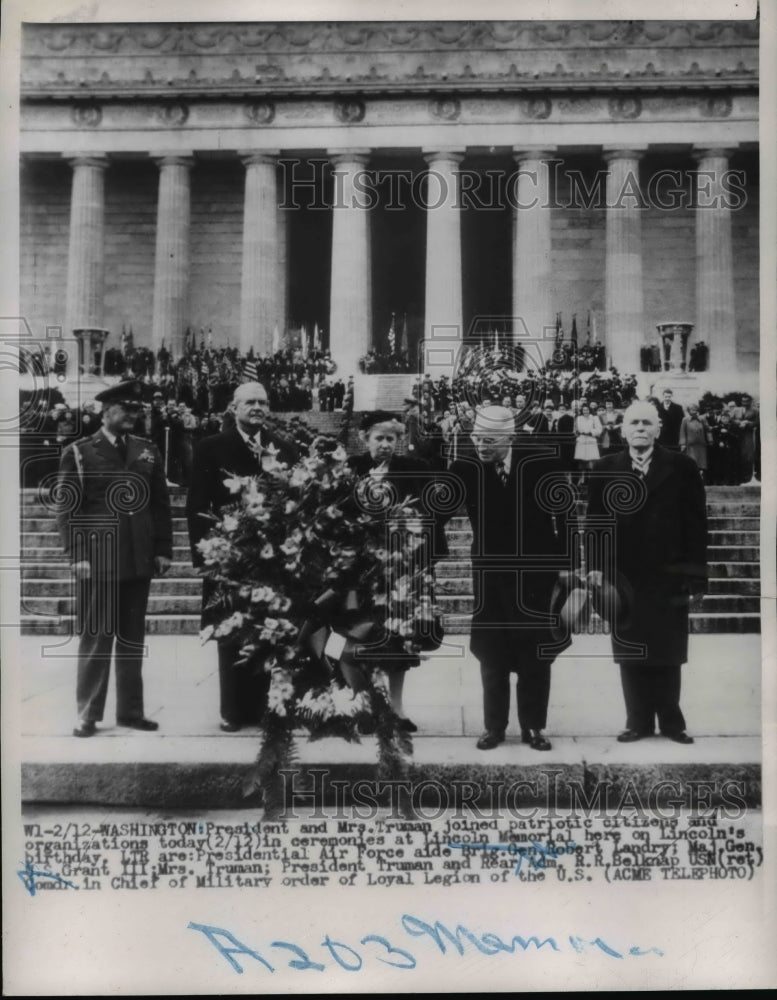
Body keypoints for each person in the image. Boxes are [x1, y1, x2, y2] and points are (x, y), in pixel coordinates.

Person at [443, 405, 572, 752]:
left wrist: (567, 564)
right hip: (491, 573)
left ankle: (533, 727)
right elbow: (437, 511)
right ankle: (494, 727)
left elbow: (566, 514)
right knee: (491, 651)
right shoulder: (465, 467)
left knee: (536, 652)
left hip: (537, 573)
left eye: (489, 439)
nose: (480, 445)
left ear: (511, 436)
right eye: (476, 437)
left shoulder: (542, 462)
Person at [55, 379, 173, 738]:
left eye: (137, 410)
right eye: (127, 410)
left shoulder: (147, 449)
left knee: (132, 638)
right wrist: (76, 554)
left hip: (138, 556)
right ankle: (88, 713)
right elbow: (67, 509)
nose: (134, 416)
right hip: (98, 558)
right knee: (96, 637)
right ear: (107, 412)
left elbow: (159, 504)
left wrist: (163, 549)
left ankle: (131, 711)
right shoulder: (79, 452)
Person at [587, 401, 708, 745]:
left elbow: (696, 525)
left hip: (668, 575)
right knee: (630, 648)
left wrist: (697, 576)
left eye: (646, 423)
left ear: (658, 429)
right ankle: (637, 720)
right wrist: (595, 569)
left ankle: (671, 721)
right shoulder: (604, 468)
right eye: (633, 423)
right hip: (623, 577)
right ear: (622, 429)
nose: (640, 428)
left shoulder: (682, 467)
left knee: (668, 649)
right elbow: (594, 524)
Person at [186, 381, 300, 732]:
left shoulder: (284, 447)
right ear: (234, 408)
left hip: (274, 556)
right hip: (229, 556)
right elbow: (197, 505)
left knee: (275, 630)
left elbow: (295, 499)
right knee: (232, 630)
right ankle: (233, 710)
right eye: (249, 402)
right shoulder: (211, 447)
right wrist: (205, 555)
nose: (257, 408)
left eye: (263, 403)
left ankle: (273, 707)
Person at [346, 411, 447, 730]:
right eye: (379, 438)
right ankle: (367, 705)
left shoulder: (415, 469)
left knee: (399, 638)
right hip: (361, 568)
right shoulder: (351, 468)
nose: (386, 444)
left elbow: (434, 512)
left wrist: (414, 538)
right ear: (365, 439)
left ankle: (398, 709)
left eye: (391, 439)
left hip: (404, 570)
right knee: (360, 636)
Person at [679, 403, 710, 481]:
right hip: (690, 445)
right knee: (692, 462)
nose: (694, 411)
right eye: (692, 410)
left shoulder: (702, 419)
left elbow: (708, 430)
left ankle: (701, 479)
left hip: (701, 445)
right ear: (689, 411)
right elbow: (682, 432)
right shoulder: (685, 420)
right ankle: (691, 479)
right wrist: (682, 444)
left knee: (701, 464)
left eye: (695, 409)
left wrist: (710, 440)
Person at [573, 401, 602, 480]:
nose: (585, 411)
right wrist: (579, 433)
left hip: (591, 440)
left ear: (590, 410)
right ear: (582, 411)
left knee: (591, 460)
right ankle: (582, 479)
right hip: (582, 440)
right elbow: (575, 430)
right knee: (581, 460)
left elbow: (599, 429)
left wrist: (591, 432)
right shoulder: (578, 418)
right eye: (584, 410)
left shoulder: (594, 418)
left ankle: (591, 478)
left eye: (587, 410)